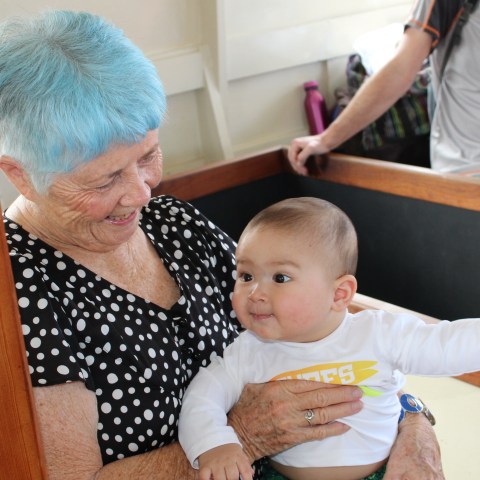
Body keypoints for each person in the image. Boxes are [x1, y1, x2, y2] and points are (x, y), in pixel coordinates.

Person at [0, 10, 442, 480]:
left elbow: (319, 327)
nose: (141, 192)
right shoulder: (18, 291)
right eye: (105, 179)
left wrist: (410, 417)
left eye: (148, 155)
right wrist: (240, 438)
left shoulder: (176, 224)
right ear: (21, 175)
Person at [179, 196, 480, 480]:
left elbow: (446, 345)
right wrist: (214, 444)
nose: (255, 293)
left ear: (339, 294)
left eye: (280, 278)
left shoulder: (378, 333)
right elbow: (202, 398)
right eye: (246, 276)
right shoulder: (247, 351)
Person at [288, 0, 480, 175]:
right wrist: (326, 139)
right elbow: (400, 70)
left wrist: (326, 139)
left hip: (466, 170)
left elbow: (401, 70)